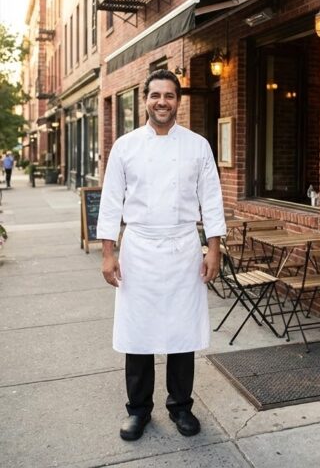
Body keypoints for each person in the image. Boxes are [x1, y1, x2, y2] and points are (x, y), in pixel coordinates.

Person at [97, 69, 226, 442]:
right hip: (138, 248)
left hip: (184, 247)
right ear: (145, 100)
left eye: (169, 96)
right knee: (138, 335)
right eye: (156, 95)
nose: (162, 102)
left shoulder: (198, 145)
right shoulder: (125, 146)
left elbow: (212, 201)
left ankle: (181, 407)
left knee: (181, 335)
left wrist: (213, 249)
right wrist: (108, 253)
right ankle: (138, 411)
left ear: (178, 101)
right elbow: (110, 204)